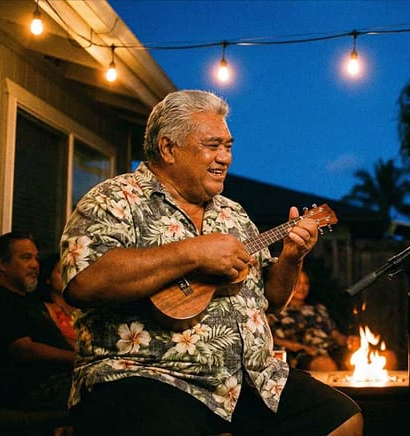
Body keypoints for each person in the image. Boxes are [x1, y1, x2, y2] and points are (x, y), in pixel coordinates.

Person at [59, 90, 362, 436]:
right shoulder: (114, 199)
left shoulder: (234, 213)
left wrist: (292, 259)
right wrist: (193, 252)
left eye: (228, 146)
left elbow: (272, 301)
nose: (225, 158)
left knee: (343, 419)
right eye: (212, 145)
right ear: (168, 148)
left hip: (249, 380)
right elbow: (84, 282)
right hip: (147, 375)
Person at [0, 232, 76, 410]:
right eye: (26, 258)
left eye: (36, 258)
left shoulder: (29, 301)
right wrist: (76, 359)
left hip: (61, 379)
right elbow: (24, 350)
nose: (35, 265)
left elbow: (57, 339)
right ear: (2, 264)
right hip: (31, 389)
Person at [269, 271, 359, 371]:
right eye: (298, 283)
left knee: (361, 357)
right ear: (289, 285)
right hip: (302, 355)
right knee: (325, 364)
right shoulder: (276, 313)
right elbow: (274, 339)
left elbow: (336, 335)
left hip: (331, 350)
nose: (302, 288)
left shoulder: (318, 309)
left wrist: (348, 340)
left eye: (306, 283)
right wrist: (302, 347)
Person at [34, 253, 80, 351]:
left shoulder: (80, 306)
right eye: (61, 272)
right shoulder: (47, 309)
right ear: (48, 278)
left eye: (69, 271)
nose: (67, 276)